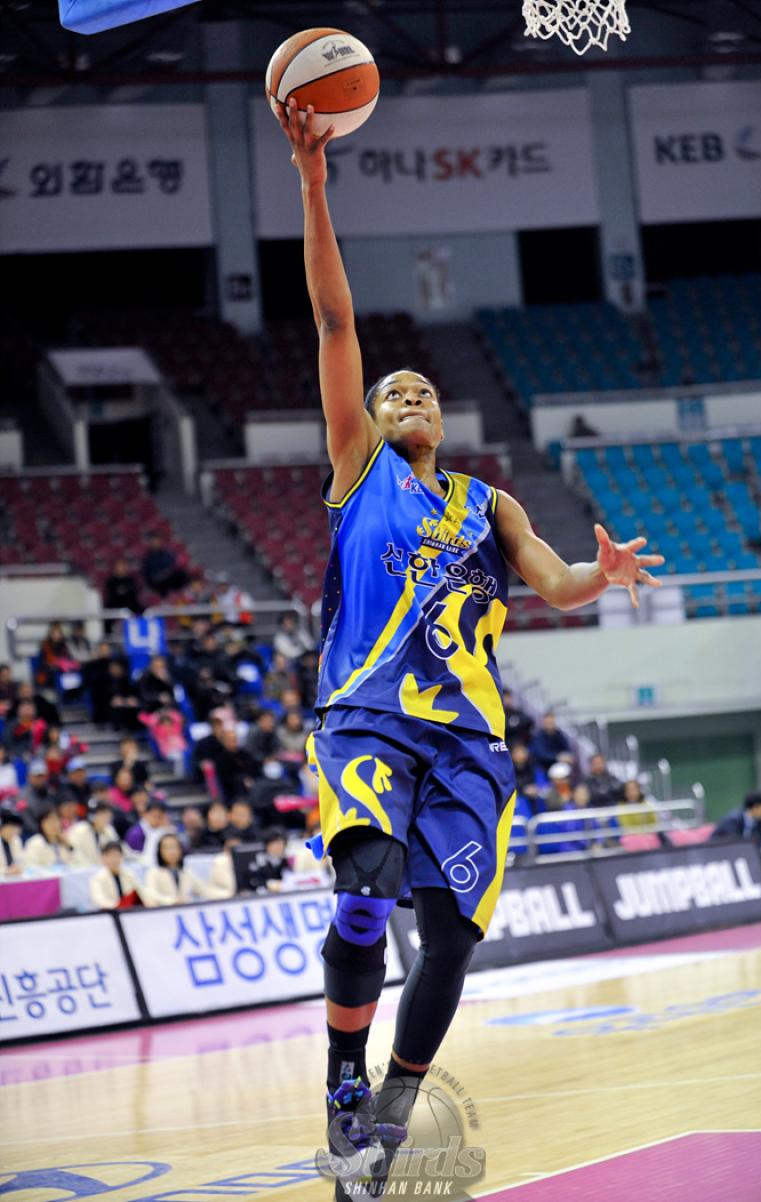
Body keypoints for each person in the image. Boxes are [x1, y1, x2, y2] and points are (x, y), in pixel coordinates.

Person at [274, 94, 665, 1195]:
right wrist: (312, 182)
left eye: (423, 391)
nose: (408, 394)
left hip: (468, 743)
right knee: (366, 886)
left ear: (440, 421)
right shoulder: (358, 473)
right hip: (366, 715)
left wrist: (601, 574)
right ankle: (342, 1079)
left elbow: (557, 585)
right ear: (369, 419)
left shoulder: (489, 504)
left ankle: (392, 1109)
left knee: (448, 941)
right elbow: (335, 323)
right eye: (392, 391)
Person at [143, 833, 214, 907]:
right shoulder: (154, 873)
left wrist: (222, 895)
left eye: (174, 847)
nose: (171, 851)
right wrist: (171, 901)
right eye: (167, 848)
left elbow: (205, 891)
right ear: (160, 851)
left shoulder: (186, 872)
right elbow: (150, 895)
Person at [89, 842, 142, 910]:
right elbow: (98, 899)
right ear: (104, 858)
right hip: (110, 912)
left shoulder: (129, 875)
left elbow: (140, 893)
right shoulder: (97, 878)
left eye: (116, 855)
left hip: (130, 911)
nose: (114, 859)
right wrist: (116, 906)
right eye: (110, 856)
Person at [68, 801, 121, 867]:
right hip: (82, 868)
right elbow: (73, 852)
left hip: (103, 868)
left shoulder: (109, 830)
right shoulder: (79, 830)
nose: (106, 817)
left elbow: (119, 848)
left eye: (107, 813)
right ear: (91, 816)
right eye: (102, 814)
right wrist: (89, 866)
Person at [241, 827, 290, 893]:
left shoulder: (286, 861)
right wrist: (268, 885)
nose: (278, 847)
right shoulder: (258, 862)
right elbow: (252, 882)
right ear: (267, 845)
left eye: (281, 844)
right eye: (275, 844)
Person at [141, 533, 189, 599]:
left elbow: (173, 565)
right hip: (156, 580)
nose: (155, 543)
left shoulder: (167, 554)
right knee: (162, 581)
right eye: (153, 542)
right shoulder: (147, 558)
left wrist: (168, 572)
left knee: (181, 573)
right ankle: (164, 597)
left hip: (168, 576)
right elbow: (147, 573)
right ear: (150, 543)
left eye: (157, 541)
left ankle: (180, 594)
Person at [125, 798, 173, 863]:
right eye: (154, 816)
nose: (157, 820)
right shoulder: (135, 834)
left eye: (159, 817)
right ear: (145, 814)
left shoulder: (161, 830)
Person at [531, 711, 573, 776]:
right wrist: (557, 757)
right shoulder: (538, 736)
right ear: (544, 723)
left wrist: (567, 756)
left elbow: (567, 748)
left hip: (559, 765)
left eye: (551, 722)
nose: (550, 724)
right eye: (547, 722)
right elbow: (542, 754)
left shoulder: (559, 734)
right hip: (544, 766)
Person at [103, 557, 143, 622]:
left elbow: (133, 595)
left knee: (143, 611)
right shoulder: (111, 582)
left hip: (130, 606)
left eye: (123, 566)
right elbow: (112, 597)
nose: (121, 568)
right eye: (119, 566)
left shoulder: (131, 580)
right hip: (115, 608)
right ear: (115, 568)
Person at [0, 807, 25, 876]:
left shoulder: (16, 840)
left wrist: (18, 868)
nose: (14, 831)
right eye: (11, 828)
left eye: (16, 829)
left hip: (14, 877)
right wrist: (5, 871)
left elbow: (22, 861)